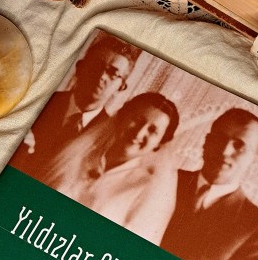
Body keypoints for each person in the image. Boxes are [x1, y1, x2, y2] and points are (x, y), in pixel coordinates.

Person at [158, 108, 258, 260]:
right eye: (220, 139)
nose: (225, 151)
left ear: (253, 159)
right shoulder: (163, 179)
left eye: (239, 145)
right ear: (206, 142)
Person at [44, 92, 180, 242]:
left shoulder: (148, 189)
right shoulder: (78, 154)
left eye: (152, 130)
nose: (140, 132)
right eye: (137, 120)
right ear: (123, 116)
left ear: (159, 143)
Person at [13, 34, 140, 178]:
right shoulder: (40, 103)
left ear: (121, 87)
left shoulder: (109, 136)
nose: (102, 76)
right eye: (96, 66)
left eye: (113, 73)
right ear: (80, 68)